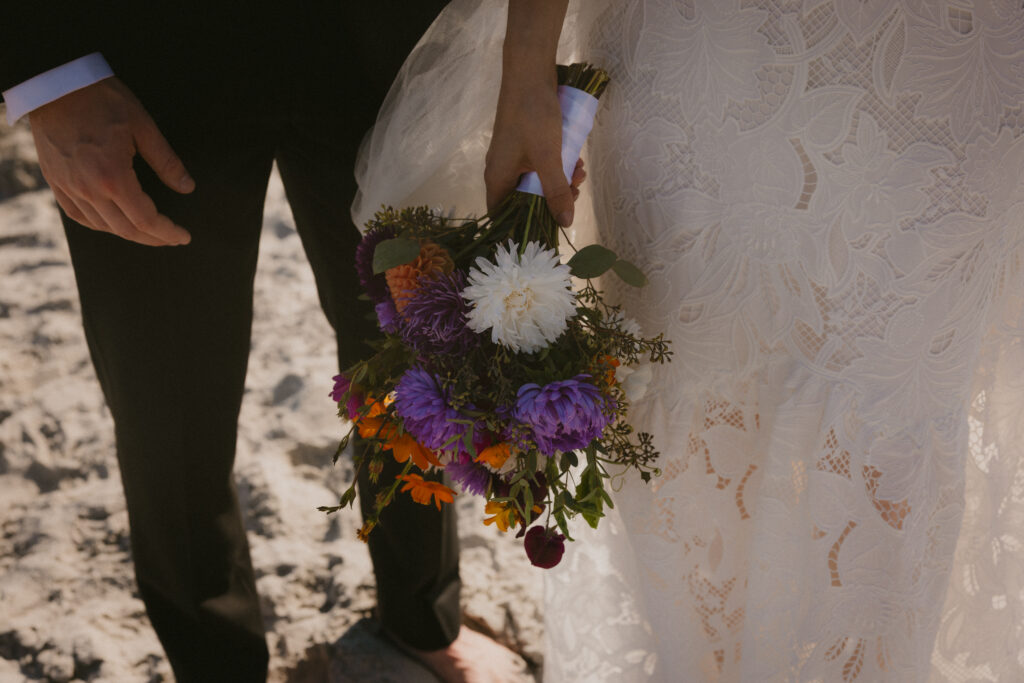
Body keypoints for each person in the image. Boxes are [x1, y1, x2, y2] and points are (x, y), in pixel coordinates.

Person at [355, 0, 1024, 680]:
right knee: (694, 416)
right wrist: (526, 64)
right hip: (701, 46)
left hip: (947, 66)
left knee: (886, 426)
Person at [1, 4, 520, 682]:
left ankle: (422, 614)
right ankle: (213, 666)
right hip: (141, 49)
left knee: (413, 351)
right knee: (167, 390)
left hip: (379, 43)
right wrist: (49, 75)